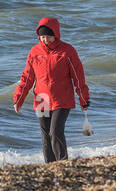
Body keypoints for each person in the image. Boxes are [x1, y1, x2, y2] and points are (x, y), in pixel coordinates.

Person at [13, 17, 90, 163]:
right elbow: (27, 77)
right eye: (42, 37)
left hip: (62, 98)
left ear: (56, 34)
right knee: (46, 135)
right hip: (42, 98)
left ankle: (62, 162)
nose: (45, 40)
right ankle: (50, 165)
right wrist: (18, 99)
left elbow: (78, 78)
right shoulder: (34, 52)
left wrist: (83, 98)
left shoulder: (67, 51)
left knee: (55, 132)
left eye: (48, 36)